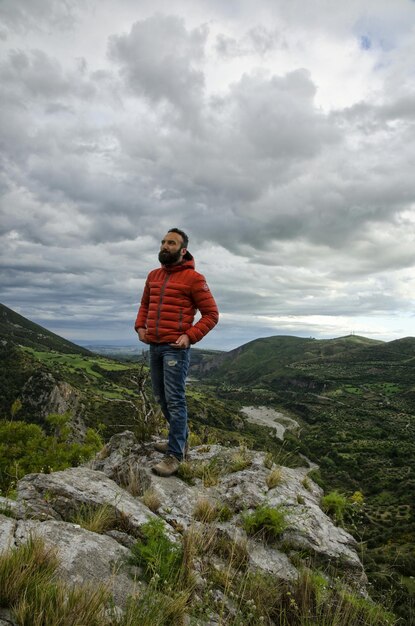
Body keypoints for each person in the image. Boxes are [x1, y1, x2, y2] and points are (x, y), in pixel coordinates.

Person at [135, 228, 219, 476]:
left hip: (175, 349)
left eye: (171, 243)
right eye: (163, 242)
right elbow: (145, 304)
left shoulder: (194, 279)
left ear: (183, 250)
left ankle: (174, 455)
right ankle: (178, 441)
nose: (164, 246)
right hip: (155, 345)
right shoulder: (153, 275)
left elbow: (212, 315)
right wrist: (140, 326)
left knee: (175, 399)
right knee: (161, 398)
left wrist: (189, 336)